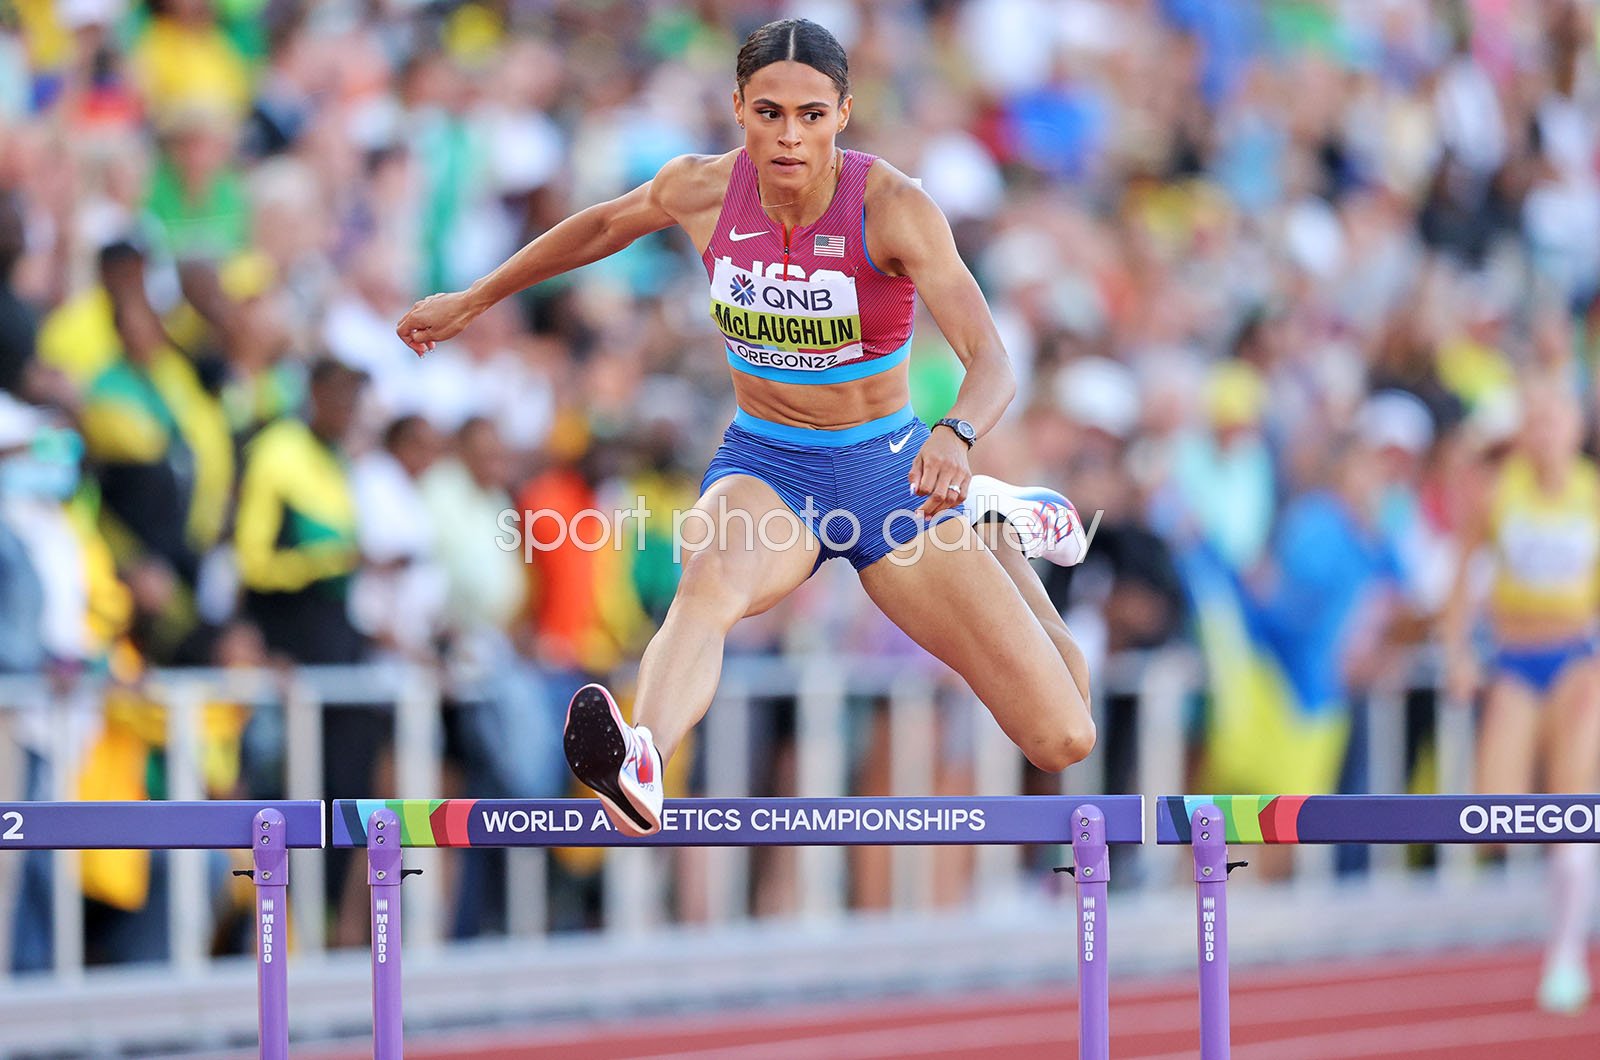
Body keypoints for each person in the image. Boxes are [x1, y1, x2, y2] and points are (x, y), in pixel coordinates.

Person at [397, 19, 1095, 837]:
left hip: (891, 473)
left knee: (1061, 735)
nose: (789, 136)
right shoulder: (701, 188)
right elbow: (598, 227)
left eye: (809, 115)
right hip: (769, 465)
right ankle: (642, 757)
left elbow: (994, 364)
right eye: (769, 113)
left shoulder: (896, 207)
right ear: (738, 108)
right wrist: (474, 298)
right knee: (708, 579)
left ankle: (995, 527)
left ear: (843, 113)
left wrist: (958, 436)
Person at [1441, 376, 1600, 1014]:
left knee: (1570, 805)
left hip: (1575, 660)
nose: (1545, 434)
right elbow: (1461, 578)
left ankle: (1563, 954)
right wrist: (1458, 654)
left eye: (1554, 420)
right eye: (1533, 422)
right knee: (1493, 814)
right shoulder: (1499, 495)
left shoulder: (1592, 495)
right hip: (1514, 657)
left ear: (1576, 430)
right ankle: (1556, 908)